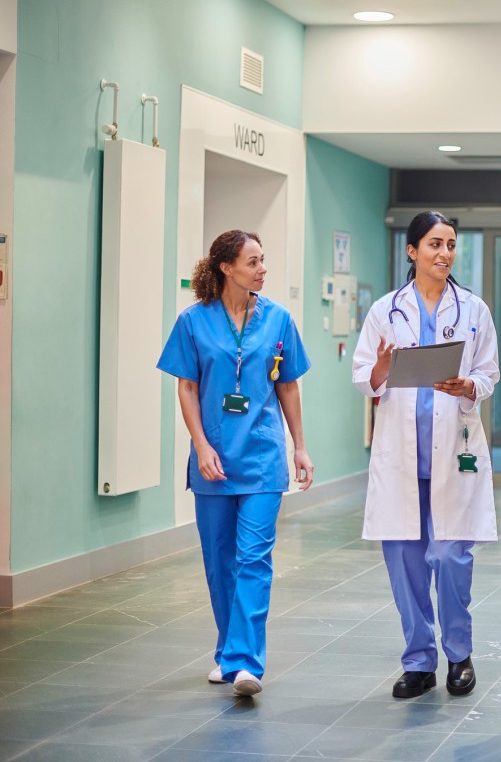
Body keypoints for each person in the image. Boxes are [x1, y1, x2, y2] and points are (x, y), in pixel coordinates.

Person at [157, 229, 314, 698]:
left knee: (253, 558)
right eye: (253, 261)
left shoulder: (279, 319)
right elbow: (186, 387)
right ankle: (228, 650)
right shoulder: (193, 321)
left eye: (263, 259)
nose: (263, 268)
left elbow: (287, 385)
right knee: (219, 559)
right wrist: (201, 446)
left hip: (263, 458)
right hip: (214, 460)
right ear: (226, 268)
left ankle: (246, 662)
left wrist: (299, 446)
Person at [352, 211, 500, 700]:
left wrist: (468, 384)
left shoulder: (474, 310)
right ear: (412, 251)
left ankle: (459, 653)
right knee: (407, 563)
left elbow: (489, 372)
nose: (445, 253)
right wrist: (380, 366)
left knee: (450, 556)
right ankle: (419, 661)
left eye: (451, 245)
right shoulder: (384, 310)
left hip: (454, 454)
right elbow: (362, 378)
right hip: (400, 458)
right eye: (435, 244)